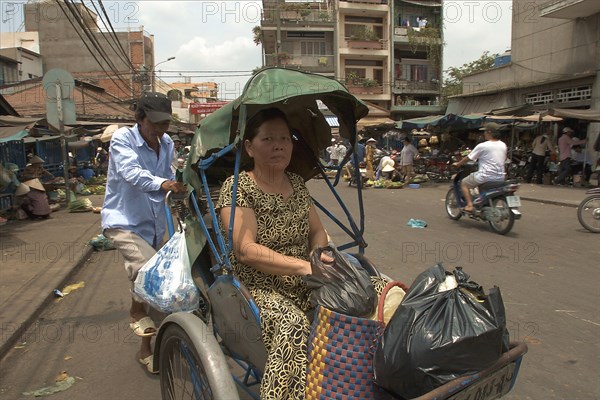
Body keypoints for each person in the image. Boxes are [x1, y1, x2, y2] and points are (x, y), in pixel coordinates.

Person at [216, 108, 388, 399]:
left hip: (306, 275)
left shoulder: (296, 183)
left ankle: (369, 377)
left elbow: (317, 232)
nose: (279, 145)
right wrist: (305, 267)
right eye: (268, 138)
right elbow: (245, 250)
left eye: (285, 138)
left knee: (378, 289)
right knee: (292, 325)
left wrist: (319, 255)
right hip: (259, 285)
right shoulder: (237, 187)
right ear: (249, 146)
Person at [101, 92, 186, 374]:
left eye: (165, 124)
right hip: (124, 221)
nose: (160, 130)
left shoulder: (168, 142)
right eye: (155, 124)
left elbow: (173, 170)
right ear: (140, 119)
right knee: (150, 274)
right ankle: (137, 312)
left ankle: (145, 350)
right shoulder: (123, 139)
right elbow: (131, 173)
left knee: (155, 286)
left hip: (155, 224)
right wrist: (165, 184)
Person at [453, 123, 507, 213]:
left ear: (489, 132)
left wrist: (458, 164)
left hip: (485, 176)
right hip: (500, 177)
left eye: (485, 131)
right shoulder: (503, 145)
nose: (484, 133)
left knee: (464, 183)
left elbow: (469, 158)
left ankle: (470, 205)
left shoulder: (483, 145)